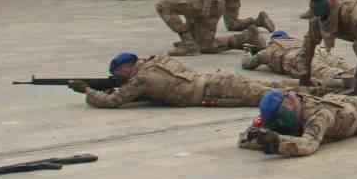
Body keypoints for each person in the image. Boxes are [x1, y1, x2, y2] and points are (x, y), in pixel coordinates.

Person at [71, 51, 287, 108]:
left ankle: (316, 92)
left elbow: (112, 102)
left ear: (126, 69)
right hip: (215, 79)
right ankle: (315, 87)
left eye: (119, 75)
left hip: (215, 92)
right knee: (275, 87)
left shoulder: (141, 80)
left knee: (280, 97)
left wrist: (87, 91)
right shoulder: (158, 61)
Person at [242, 29, 357, 91]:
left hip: (296, 56)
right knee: (339, 62)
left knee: (324, 71)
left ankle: (350, 81)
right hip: (315, 49)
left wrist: (247, 53)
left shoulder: (269, 50)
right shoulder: (296, 40)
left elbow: (248, 64)